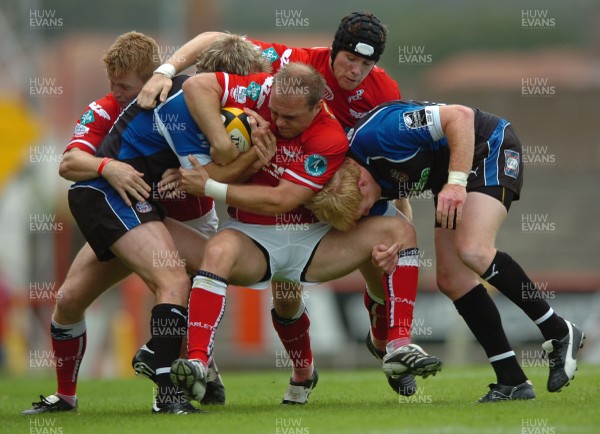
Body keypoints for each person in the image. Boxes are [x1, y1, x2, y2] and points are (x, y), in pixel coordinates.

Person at [138, 11, 421, 396]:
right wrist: (164, 71)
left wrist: (398, 202)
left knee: (393, 239)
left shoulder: (375, 100)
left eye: (366, 64)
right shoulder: (281, 75)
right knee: (284, 298)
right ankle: (261, 368)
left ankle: (391, 343)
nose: (355, 71)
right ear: (333, 51)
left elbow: (384, 155)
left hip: (332, 196)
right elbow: (213, 43)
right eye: (349, 60)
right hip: (266, 220)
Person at [22, 33, 272, 415]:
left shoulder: (203, 102)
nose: (117, 93)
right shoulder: (129, 107)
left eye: (124, 85)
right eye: (114, 85)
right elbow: (69, 164)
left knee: (211, 267)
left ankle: (187, 368)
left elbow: (210, 174)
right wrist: (111, 166)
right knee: (99, 294)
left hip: (159, 213)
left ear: (153, 79)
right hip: (120, 203)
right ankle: (145, 379)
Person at [307, 100, 586, 402]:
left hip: (487, 147)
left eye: (362, 211)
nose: (366, 216)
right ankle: (512, 381)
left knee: (473, 250)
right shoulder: (359, 185)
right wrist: (393, 248)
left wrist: (455, 184)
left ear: (362, 183)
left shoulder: (382, 134)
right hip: (449, 177)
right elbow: (399, 207)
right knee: (451, 279)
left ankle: (558, 331)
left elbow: (459, 116)